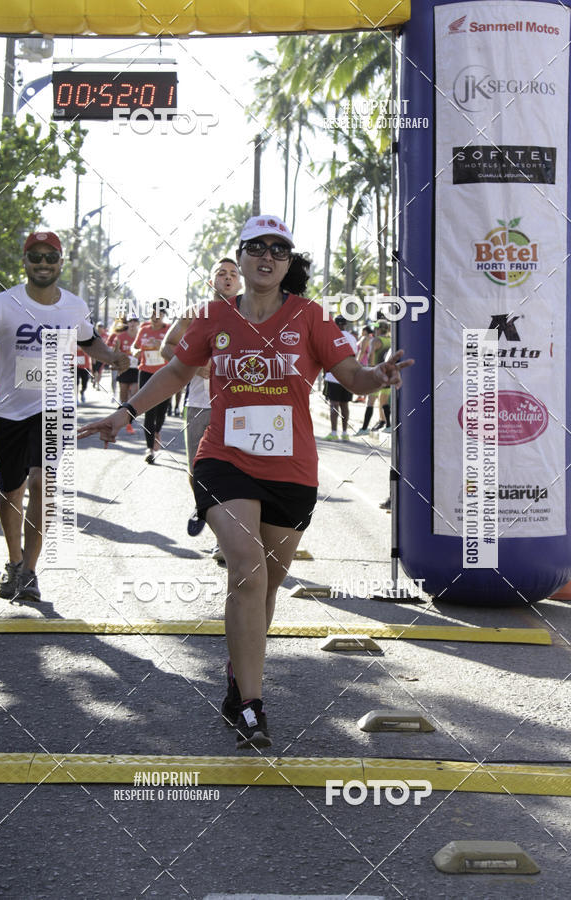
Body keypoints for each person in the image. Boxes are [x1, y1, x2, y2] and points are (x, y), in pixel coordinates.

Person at [78, 214, 413, 749]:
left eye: (278, 249)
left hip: (293, 471)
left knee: (266, 586)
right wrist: (124, 414)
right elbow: (174, 373)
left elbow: (351, 376)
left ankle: (240, 674)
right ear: (242, 254)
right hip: (224, 461)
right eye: (256, 247)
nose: (267, 256)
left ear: (288, 262)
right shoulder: (212, 316)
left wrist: (379, 377)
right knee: (248, 572)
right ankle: (252, 708)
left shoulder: (310, 317)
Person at [0, 231, 129, 602]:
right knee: (11, 491)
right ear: (25, 262)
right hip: (10, 412)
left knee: (43, 486)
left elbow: (90, 342)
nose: (43, 263)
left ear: (60, 263)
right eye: (36, 256)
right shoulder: (0, 302)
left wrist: (114, 358)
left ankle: (29, 570)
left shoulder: (74, 307)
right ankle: (12, 563)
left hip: (53, 409)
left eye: (50, 257)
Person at [160, 258, 242, 540]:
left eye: (233, 274)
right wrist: (195, 366)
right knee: (197, 467)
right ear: (211, 282)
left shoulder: (252, 314)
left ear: (241, 282)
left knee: (236, 472)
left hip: (238, 407)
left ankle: (226, 539)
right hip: (199, 403)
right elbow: (166, 347)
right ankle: (201, 505)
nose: (228, 278)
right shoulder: (195, 313)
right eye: (221, 273)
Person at [131, 301, 169, 463]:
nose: (155, 317)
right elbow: (134, 347)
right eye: (153, 314)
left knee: (161, 411)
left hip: (165, 374)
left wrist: (162, 346)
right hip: (145, 372)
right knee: (149, 410)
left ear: (163, 316)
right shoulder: (144, 330)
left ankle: (157, 431)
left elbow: (178, 348)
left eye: (158, 315)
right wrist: (136, 351)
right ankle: (149, 449)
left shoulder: (169, 331)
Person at [323, 315, 358, 441]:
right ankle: (345, 433)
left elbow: (325, 356)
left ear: (335, 324)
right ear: (345, 325)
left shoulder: (330, 337)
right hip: (349, 376)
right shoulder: (353, 338)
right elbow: (355, 356)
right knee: (345, 404)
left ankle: (333, 433)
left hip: (333, 375)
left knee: (334, 404)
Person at [356, 319, 391, 435]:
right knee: (384, 401)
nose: (374, 330)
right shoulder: (390, 340)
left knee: (370, 402)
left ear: (380, 329)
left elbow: (371, 355)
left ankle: (364, 428)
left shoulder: (375, 340)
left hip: (376, 374)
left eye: (376, 328)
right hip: (387, 374)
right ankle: (388, 426)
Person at [113, 317, 140, 433]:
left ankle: (130, 419)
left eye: (135, 322)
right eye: (130, 321)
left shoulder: (140, 335)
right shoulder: (121, 337)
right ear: (127, 323)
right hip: (124, 369)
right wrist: (116, 361)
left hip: (136, 369)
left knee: (134, 392)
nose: (132, 324)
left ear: (138, 324)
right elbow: (115, 352)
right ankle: (123, 414)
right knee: (123, 394)